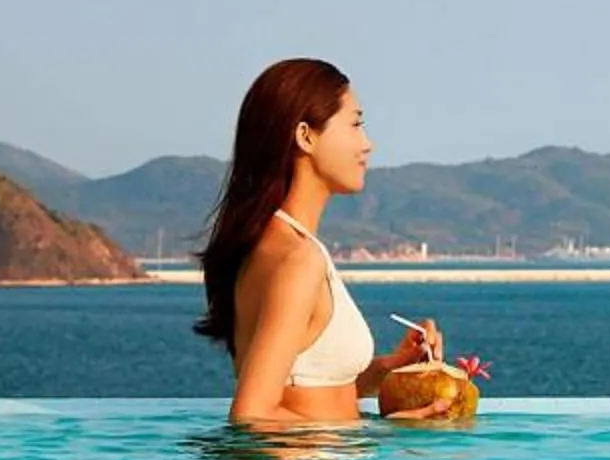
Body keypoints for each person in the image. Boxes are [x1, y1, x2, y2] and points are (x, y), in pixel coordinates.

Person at [193, 56, 454, 424]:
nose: (368, 144)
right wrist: (378, 436)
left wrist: (389, 370)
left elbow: (302, 386)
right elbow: (252, 415)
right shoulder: (299, 259)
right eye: (356, 124)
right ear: (305, 136)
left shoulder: (273, 244)